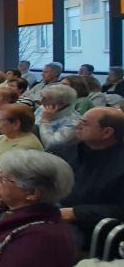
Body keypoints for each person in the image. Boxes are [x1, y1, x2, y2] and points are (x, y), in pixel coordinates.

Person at [51, 107, 124, 249]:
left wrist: (76, 212)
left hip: (83, 225)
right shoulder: (65, 149)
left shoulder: (120, 165)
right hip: (50, 209)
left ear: (107, 132)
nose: (78, 126)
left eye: (84, 123)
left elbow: (120, 209)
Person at [34, 84, 80, 150]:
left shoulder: (73, 123)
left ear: (61, 103)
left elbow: (50, 145)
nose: (41, 101)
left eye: (45, 99)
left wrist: (45, 122)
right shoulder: (43, 108)